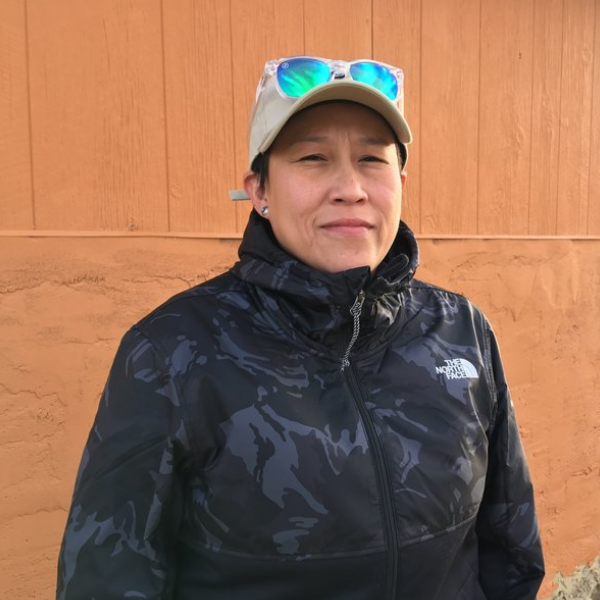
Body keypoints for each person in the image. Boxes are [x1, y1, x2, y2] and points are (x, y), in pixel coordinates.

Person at [56, 56, 545, 599]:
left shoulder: (461, 332)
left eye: (372, 159)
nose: (351, 188)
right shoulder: (171, 353)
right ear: (259, 190)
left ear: (401, 182)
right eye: (313, 158)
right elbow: (107, 577)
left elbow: (510, 549)